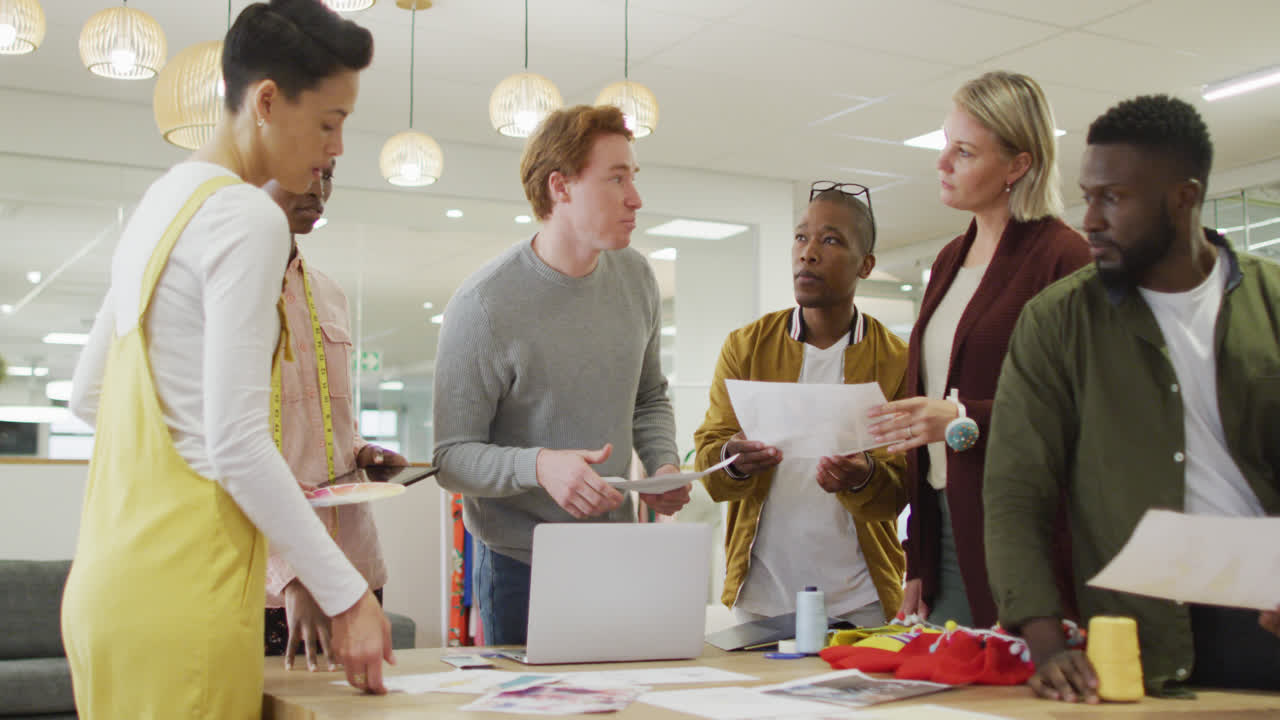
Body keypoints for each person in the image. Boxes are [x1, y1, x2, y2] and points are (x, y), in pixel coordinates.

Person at [63, 1, 393, 713]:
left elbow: (89, 396)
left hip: (107, 593)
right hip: (187, 594)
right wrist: (348, 597)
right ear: (268, 101)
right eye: (330, 123)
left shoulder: (160, 205)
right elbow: (238, 443)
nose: (337, 148)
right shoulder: (246, 217)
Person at [984, 94, 1280, 701]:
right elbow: (1017, 488)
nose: (1089, 218)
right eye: (1087, 194)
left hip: (1266, 617)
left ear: (1183, 197)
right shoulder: (1059, 321)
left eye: (1112, 198)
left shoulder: (1272, 303)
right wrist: (1047, 644)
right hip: (1136, 639)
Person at [432, 105, 690, 646]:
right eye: (616, 178)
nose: (635, 198)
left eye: (633, 178)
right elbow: (452, 458)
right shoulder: (484, 305)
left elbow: (647, 397)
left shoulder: (637, 277)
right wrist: (541, 466)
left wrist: (663, 462)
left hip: (618, 553)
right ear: (561, 187)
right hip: (519, 567)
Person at [867, 71, 1090, 628]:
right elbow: (930, 402)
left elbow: (1084, 409)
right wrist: (917, 556)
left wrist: (967, 419)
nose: (942, 163)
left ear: (1018, 165)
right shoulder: (947, 260)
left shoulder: (1065, 260)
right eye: (946, 145)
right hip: (944, 521)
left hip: (1025, 528)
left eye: (963, 152)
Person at [694, 181, 909, 627]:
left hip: (862, 599)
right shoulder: (746, 346)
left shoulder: (896, 360)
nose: (808, 253)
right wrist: (732, 458)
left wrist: (863, 475)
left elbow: (902, 490)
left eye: (830, 240)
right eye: (801, 237)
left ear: (865, 265)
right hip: (761, 596)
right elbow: (710, 466)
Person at [261, 159, 408, 670]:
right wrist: (293, 574)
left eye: (329, 174)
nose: (320, 189)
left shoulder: (330, 293)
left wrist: (361, 451)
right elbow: (226, 453)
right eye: (304, 170)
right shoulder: (229, 296)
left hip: (356, 562)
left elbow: (323, 419)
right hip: (271, 585)